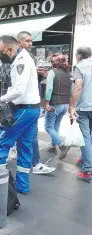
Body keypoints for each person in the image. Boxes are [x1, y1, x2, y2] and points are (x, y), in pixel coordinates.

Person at [0, 35, 40, 194]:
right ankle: (22, 186)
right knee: (24, 147)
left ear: (10, 49)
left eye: (1, 51)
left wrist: (1, 100)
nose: (0, 55)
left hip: (24, 109)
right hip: (32, 109)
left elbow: (19, 89)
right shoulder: (21, 59)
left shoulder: (22, 60)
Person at [17, 31, 56, 175]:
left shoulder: (30, 58)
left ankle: (35, 163)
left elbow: (29, 83)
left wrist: (37, 75)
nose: (30, 43)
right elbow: (16, 85)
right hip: (20, 106)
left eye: (31, 41)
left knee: (31, 135)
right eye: (27, 41)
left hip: (31, 105)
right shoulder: (18, 59)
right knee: (15, 137)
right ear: (19, 42)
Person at [68, 47, 92, 182]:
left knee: (85, 138)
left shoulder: (79, 67)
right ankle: (85, 158)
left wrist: (72, 106)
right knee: (90, 137)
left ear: (78, 56)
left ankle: (87, 170)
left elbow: (78, 87)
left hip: (84, 108)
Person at [44, 54, 72, 159]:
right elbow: (72, 90)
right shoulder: (69, 73)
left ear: (53, 63)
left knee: (48, 127)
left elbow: (49, 89)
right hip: (65, 104)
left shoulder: (52, 72)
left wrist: (46, 103)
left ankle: (61, 145)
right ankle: (53, 146)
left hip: (55, 104)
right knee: (56, 125)